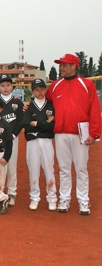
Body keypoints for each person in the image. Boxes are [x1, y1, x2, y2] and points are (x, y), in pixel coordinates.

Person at [47, 53, 101, 215]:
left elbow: (95, 109)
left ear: (73, 66)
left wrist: (94, 133)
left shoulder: (87, 85)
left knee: (81, 168)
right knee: (63, 168)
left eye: (64, 65)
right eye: (60, 65)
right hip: (61, 133)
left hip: (80, 133)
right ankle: (64, 199)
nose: (61, 68)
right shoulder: (55, 85)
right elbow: (45, 102)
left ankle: (83, 200)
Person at [22, 78, 56, 211]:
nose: (40, 92)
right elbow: (26, 125)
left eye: (42, 89)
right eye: (37, 90)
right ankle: (34, 197)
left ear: (46, 90)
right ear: (32, 91)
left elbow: (52, 126)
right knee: (33, 170)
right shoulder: (29, 106)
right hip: (32, 142)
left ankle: (52, 198)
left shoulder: (51, 105)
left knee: (49, 169)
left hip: (47, 141)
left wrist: (36, 123)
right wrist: (44, 124)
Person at [0, 75, 24, 206]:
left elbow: (20, 120)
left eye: (8, 85)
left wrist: (14, 134)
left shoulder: (17, 102)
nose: (5, 88)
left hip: (12, 138)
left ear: (12, 86)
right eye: (2, 85)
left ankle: (12, 192)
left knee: (11, 166)